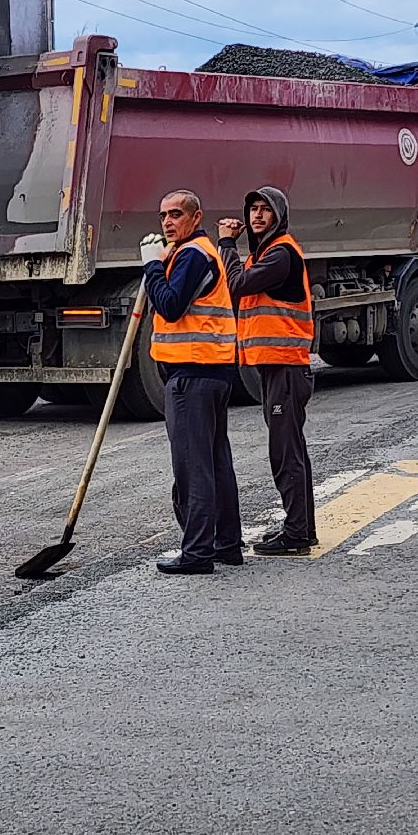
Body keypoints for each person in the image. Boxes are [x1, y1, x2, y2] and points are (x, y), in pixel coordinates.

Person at [142, 190, 243, 575]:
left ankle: (198, 551)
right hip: (210, 372)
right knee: (216, 462)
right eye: (163, 215)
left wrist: (151, 268)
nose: (167, 222)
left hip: (193, 375)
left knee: (192, 466)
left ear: (196, 216)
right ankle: (226, 544)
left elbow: (170, 304)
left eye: (175, 214)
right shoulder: (193, 252)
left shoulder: (193, 255)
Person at [218, 187, 317, 556]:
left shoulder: (281, 254)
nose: (257, 216)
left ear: (279, 215)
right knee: (292, 450)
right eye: (253, 209)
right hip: (277, 367)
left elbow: (236, 286)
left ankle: (295, 536)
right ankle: (302, 530)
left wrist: (226, 244)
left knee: (285, 453)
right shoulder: (266, 253)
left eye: (265, 210)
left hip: (287, 367)